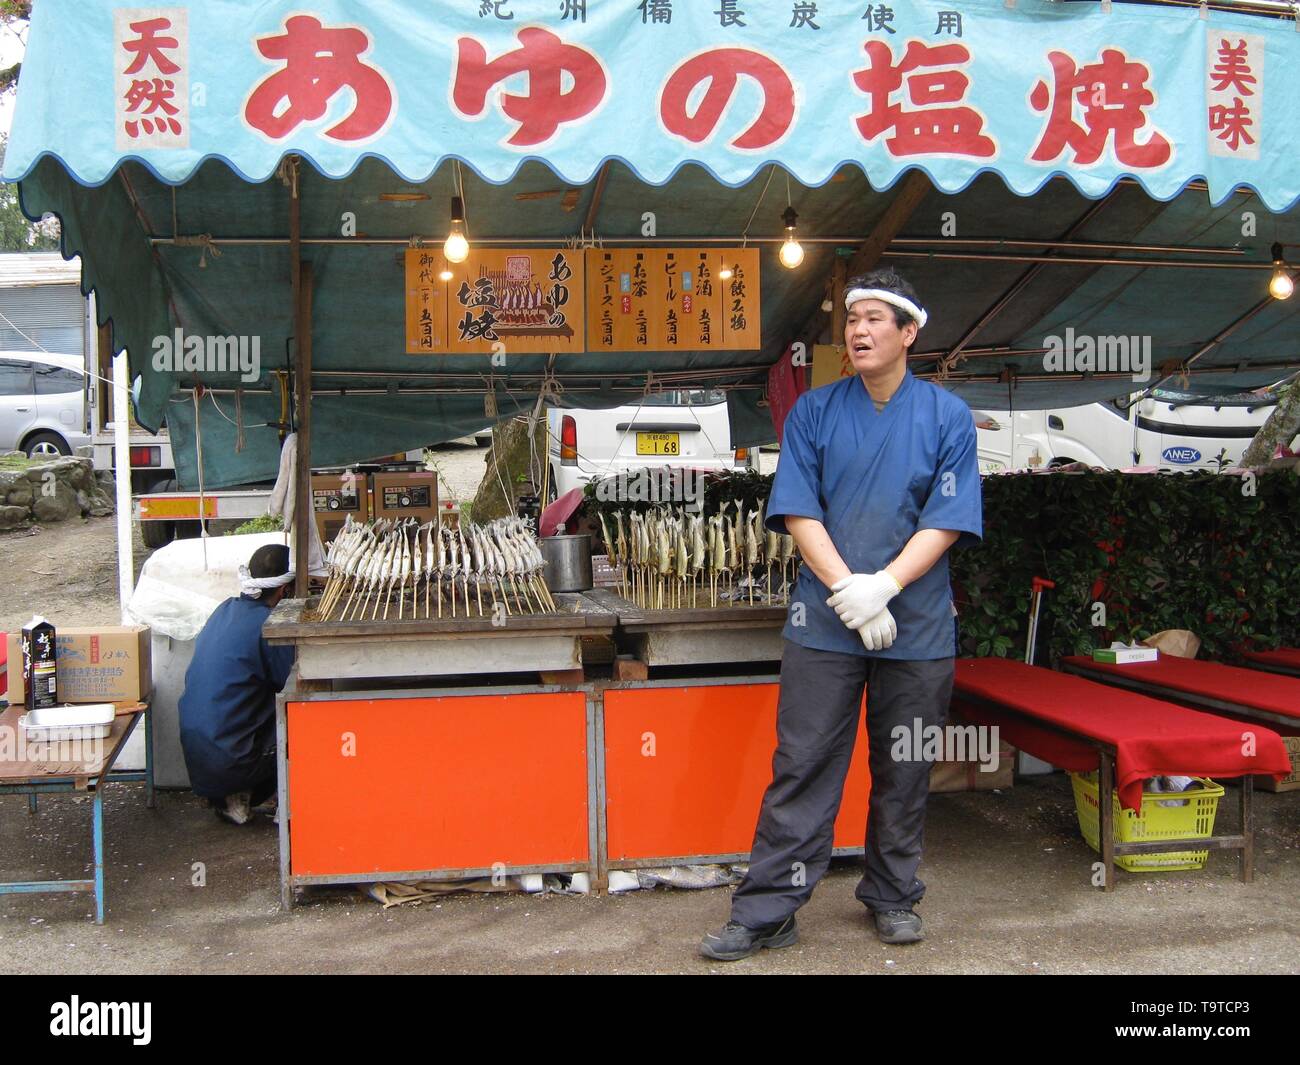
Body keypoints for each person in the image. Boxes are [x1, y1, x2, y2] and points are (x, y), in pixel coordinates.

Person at [700, 267, 983, 961]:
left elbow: (946, 518)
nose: (858, 330)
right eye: (852, 319)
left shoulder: (948, 416)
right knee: (803, 761)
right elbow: (799, 508)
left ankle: (892, 894)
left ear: (909, 332)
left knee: (904, 766)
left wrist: (884, 584)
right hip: (824, 623)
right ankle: (769, 908)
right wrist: (849, 593)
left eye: (875, 318)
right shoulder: (816, 413)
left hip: (914, 624)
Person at [179, 544, 297, 825]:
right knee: (304, 718)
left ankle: (230, 796)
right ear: (285, 591)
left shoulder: (224, 609)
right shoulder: (269, 626)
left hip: (199, 756)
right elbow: (291, 685)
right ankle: (286, 806)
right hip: (231, 760)